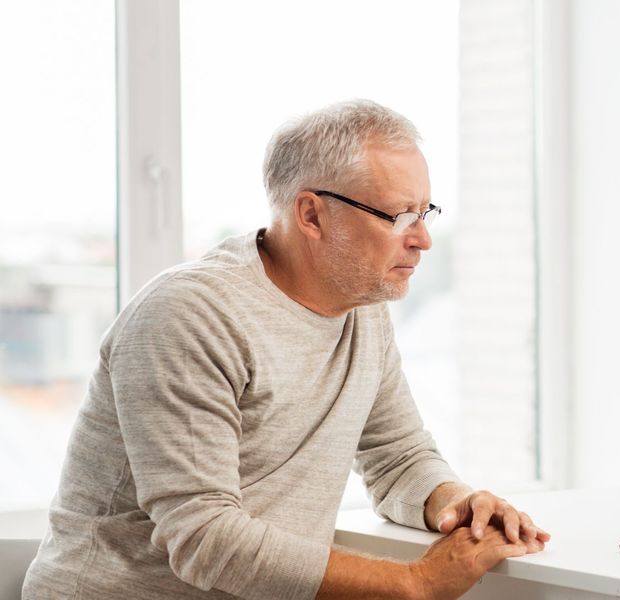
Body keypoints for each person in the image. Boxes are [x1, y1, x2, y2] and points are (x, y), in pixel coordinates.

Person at [22, 99, 550, 600]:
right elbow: (204, 537)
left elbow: (398, 457)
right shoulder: (190, 315)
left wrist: (459, 505)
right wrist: (416, 584)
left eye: (424, 212)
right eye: (397, 215)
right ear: (312, 215)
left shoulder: (363, 309)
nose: (422, 240)